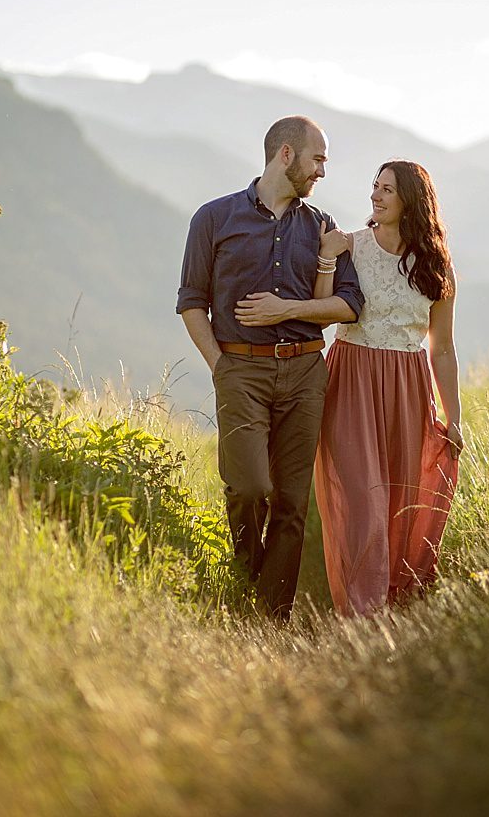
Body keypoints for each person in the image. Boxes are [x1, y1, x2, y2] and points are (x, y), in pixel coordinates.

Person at [177, 115, 364, 619]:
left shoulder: (323, 228)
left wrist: (289, 310)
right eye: (317, 159)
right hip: (241, 370)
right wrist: (220, 366)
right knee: (249, 488)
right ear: (286, 154)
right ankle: (246, 585)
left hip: (306, 374)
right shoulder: (213, 219)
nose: (322, 171)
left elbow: (350, 304)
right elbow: (192, 301)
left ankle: (269, 617)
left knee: (291, 502)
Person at [299, 159, 463, 616]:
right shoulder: (351, 245)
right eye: (375, 187)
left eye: (387, 189)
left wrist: (454, 417)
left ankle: (396, 604)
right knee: (363, 501)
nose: (375, 195)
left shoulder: (436, 265)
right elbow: (323, 308)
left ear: (411, 199)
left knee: (399, 500)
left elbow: (443, 349)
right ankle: (363, 617)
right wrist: (328, 256)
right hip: (353, 379)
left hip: (409, 388)